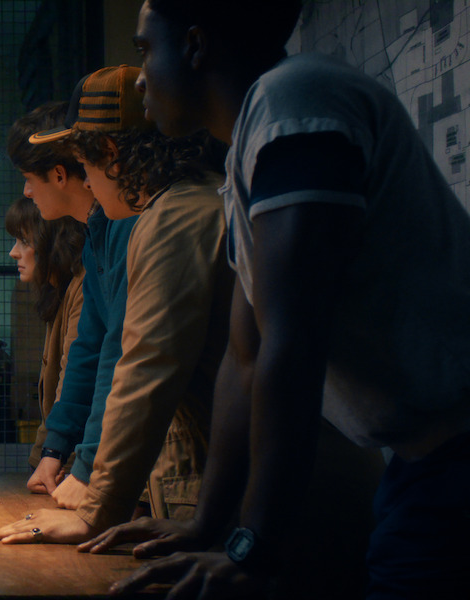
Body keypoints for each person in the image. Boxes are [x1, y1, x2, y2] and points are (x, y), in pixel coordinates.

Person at [82, 2, 470, 599]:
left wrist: (255, 544)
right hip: (419, 463)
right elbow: (248, 354)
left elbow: (295, 340)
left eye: (142, 50)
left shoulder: (295, 100)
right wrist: (208, 524)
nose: (139, 76)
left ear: (193, 46)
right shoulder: (247, 152)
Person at [0, 65, 231, 546]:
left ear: (112, 156)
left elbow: (140, 363)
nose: (86, 183)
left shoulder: (172, 218)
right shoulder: (129, 220)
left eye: (86, 165)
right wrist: (63, 450)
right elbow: (94, 347)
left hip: (212, 451)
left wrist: (95, 495)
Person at [2, 196, 85, 469]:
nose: (14, 252)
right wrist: (39, 461)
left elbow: (73, 384)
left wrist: (51, 459)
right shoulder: (56, 292)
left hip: (76, 461)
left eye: (24, 242)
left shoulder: (80, 289)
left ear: (51, 243)